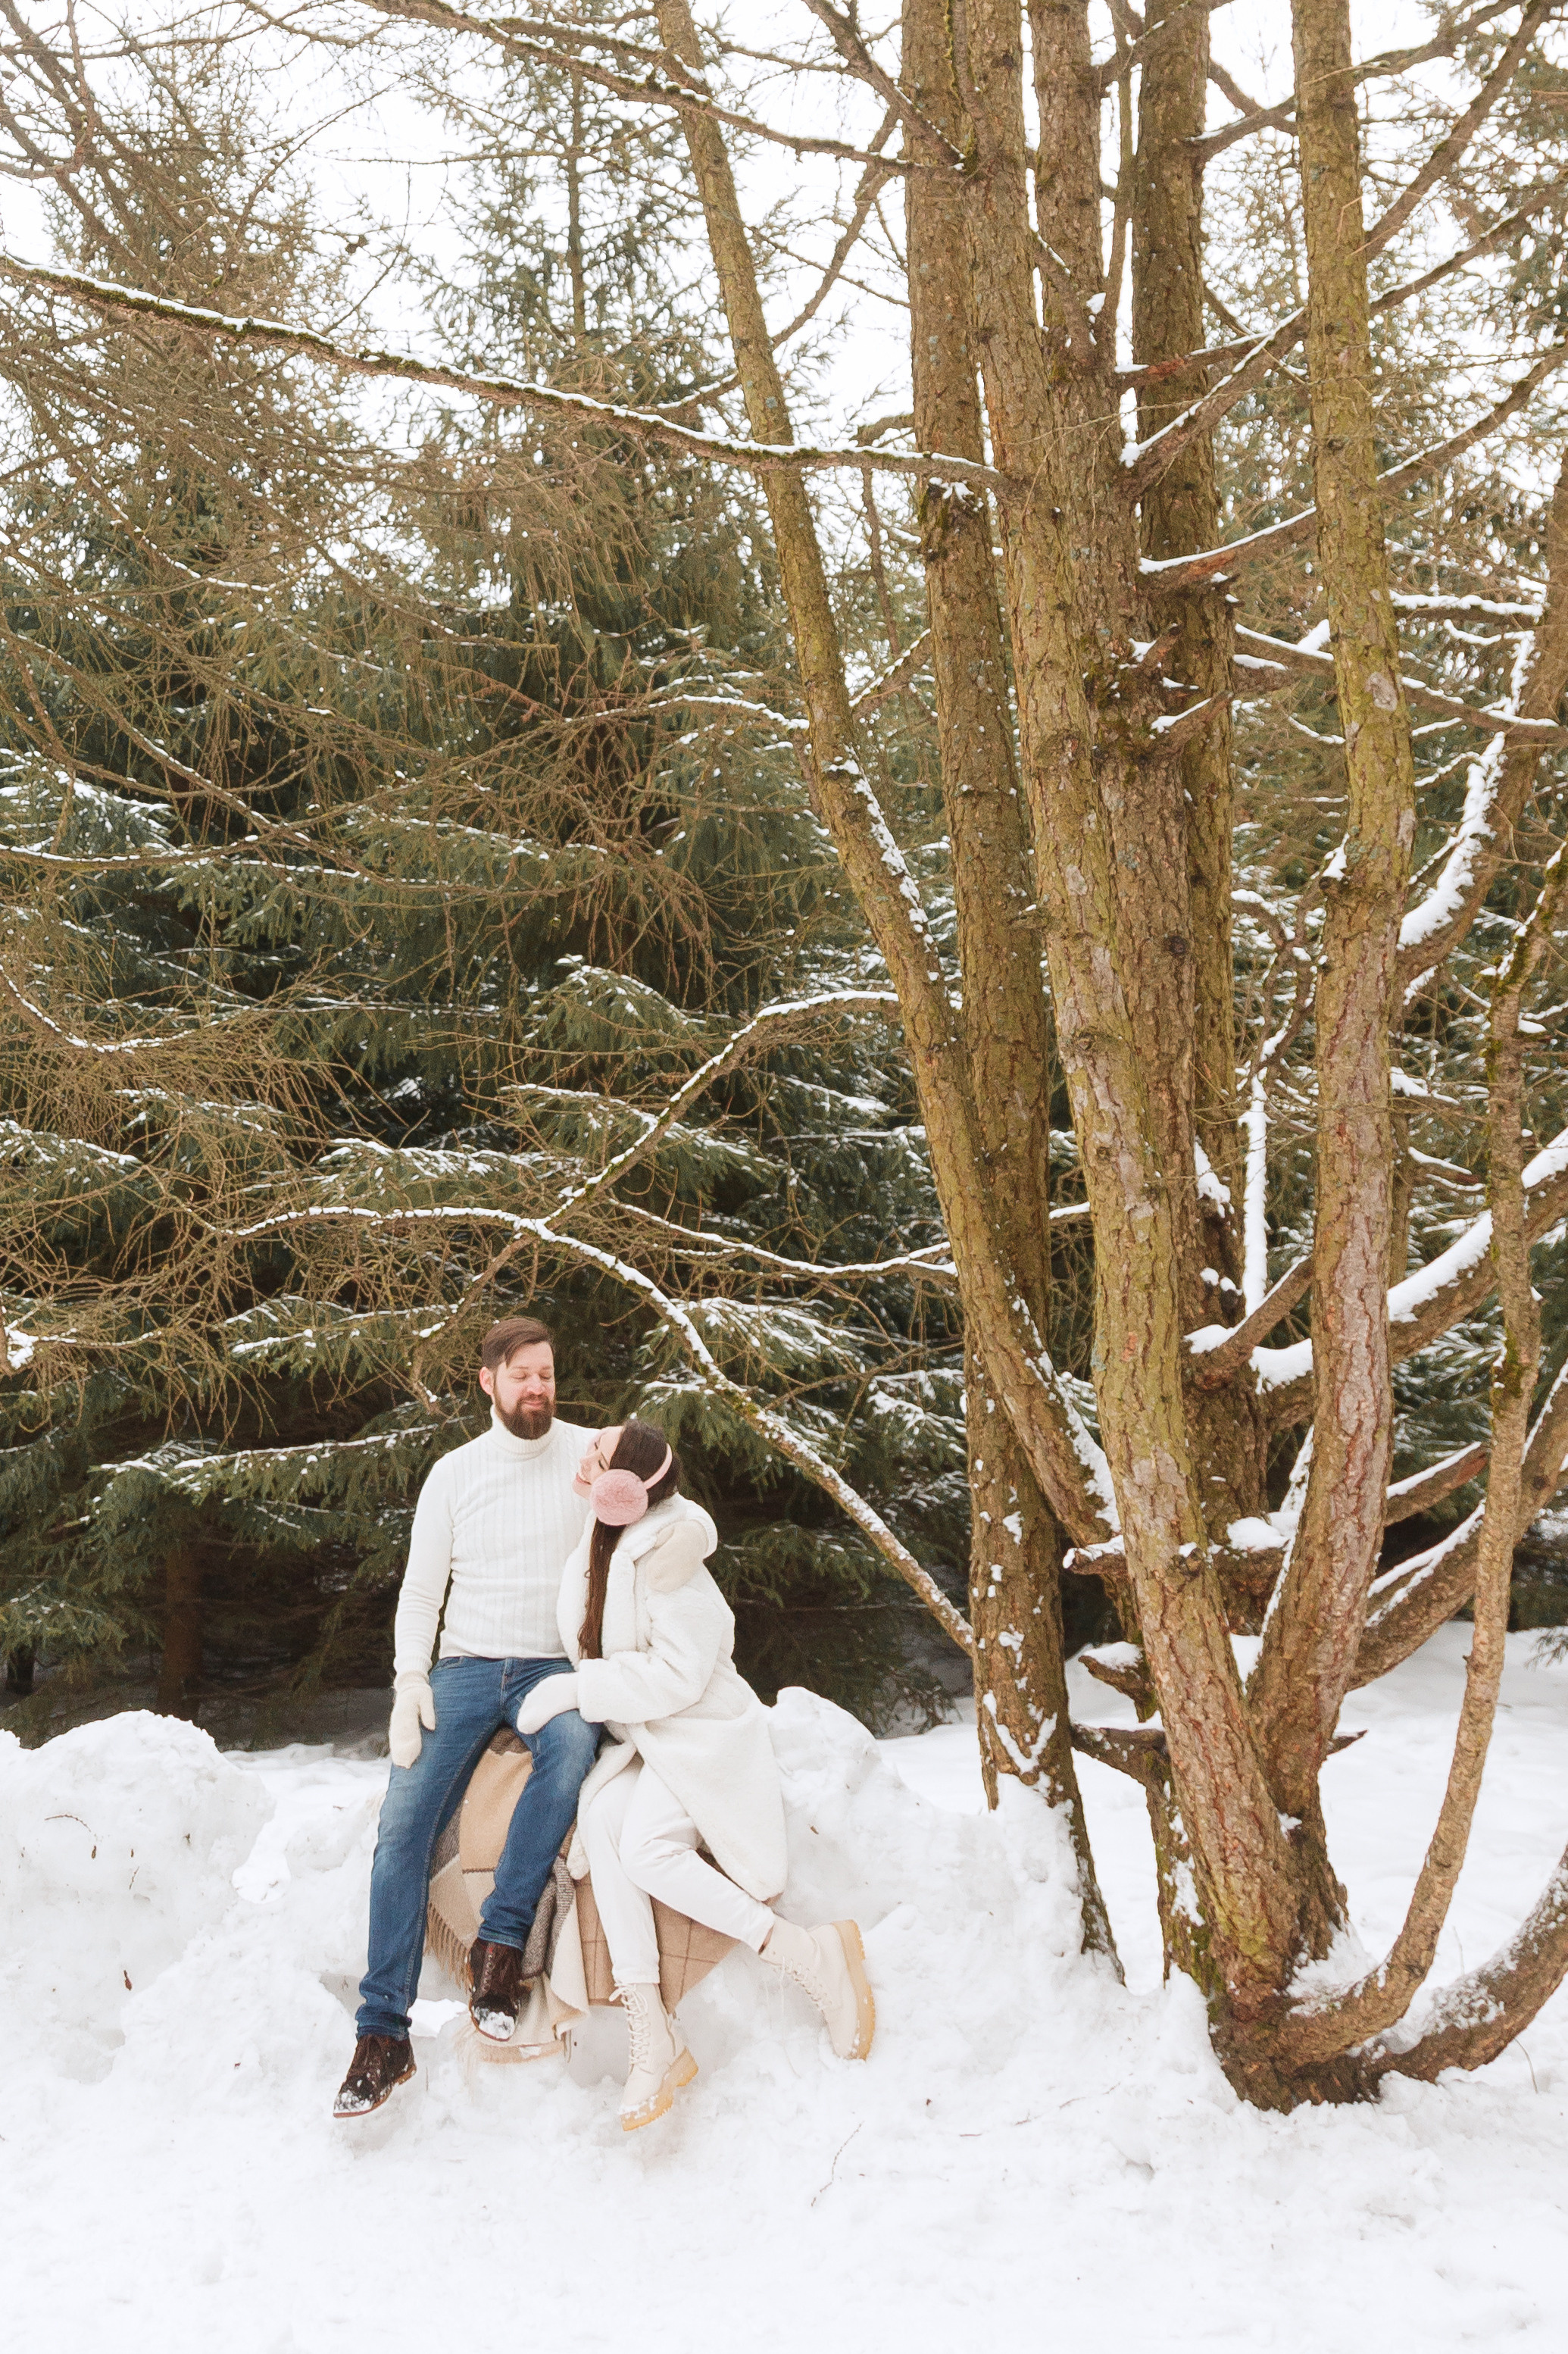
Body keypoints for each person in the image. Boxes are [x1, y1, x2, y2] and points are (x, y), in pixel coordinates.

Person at [517, 1416, 875, 2133]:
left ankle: (804, 1953)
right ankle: (653, 2027)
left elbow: (680, 1675)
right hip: (647, 1737)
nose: (586, 1453)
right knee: (601, 1819)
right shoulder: (604, 1534)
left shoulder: (669, 1558)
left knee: (646, 1846)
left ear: (625, 1489)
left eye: (603, 1454)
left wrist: (578, 1690)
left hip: (701, 1734)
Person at [333, 1315, 600, 2121]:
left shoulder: (590, 1456)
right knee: (402, 1825)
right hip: (465, 1667)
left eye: (547, 1373)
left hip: (554, 1666)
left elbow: (657, 1499)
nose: (537, 1388)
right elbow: (421, 1591)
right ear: (488, 1380)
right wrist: (411, 1675)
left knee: (573, 1747)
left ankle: (501, 1945)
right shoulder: (453, 1473)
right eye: (521, 1375)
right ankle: (384, 2031)